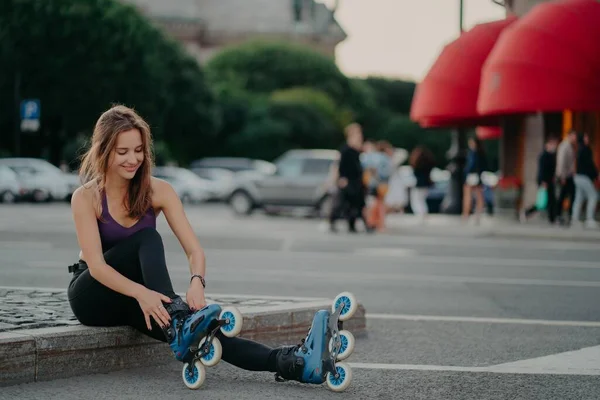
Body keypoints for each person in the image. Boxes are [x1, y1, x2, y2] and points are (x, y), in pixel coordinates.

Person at [67, 105, 330, 386]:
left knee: (208, 333)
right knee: (148, 238)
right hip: (92, 294)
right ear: (103, 151)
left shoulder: (159, 191)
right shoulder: (86, 197)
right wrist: (143, 293)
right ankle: (179, 320)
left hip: (138, 296)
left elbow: (195, 250)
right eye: (123, 152)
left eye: (139, 150)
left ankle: (293, 363)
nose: (134, 159)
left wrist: (196, 282)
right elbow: (96, 266)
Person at [329, 123, 373, 233]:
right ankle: (333, 221)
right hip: (348, 180)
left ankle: (353, 224)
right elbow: (341, 165)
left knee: (357, 203)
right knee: (344, 203)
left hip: (356, 180)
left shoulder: (356, 151)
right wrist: (342, 178)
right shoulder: (346, 149)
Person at [520, 136, 559, 224]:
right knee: (542, 203)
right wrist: (543, 182)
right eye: (552, 144)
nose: (554, 146)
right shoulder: (544, 156)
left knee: (551, 201)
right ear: (547, 144)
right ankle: (527, 212)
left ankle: (552, 219)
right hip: (544, 182)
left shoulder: (551, 155)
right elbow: (542, 170)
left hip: (550, 181)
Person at [571, 133, 598, 228]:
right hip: (584, 177)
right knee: (593, 196)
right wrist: (596, 175)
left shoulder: (579, 149)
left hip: (577, 177)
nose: (588, 138)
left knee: (579, 198)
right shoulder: (586, 149)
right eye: (586, 137)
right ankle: (589, 219)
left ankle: (575, 219)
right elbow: (589, 164)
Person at [462, 137, 488, 223]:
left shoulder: (473, 153)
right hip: (478, 176)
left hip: (472, 176)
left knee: (468, 196)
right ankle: (477, 215)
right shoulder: (481, 153)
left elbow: (470, 165)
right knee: (479, 196)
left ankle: (466, 214)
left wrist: (466, 171)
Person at [556, 130, 577, 225]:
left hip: (569, 175)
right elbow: (561, 162)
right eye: (573, 136)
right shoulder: (564, 146)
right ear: (569, 135)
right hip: (565, 176)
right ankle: (559, 215)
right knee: (563, 196)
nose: (575, 138)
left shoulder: (570, 146)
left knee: (569, 195)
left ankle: (568, 215)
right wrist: (562, 176)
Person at [409, 146, 436, 222]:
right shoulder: (428, 164)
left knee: (417, 200)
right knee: (422, 200)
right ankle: (424, 214)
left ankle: (420, 214)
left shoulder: (417, 165)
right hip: (426, 185)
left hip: (419, 185)